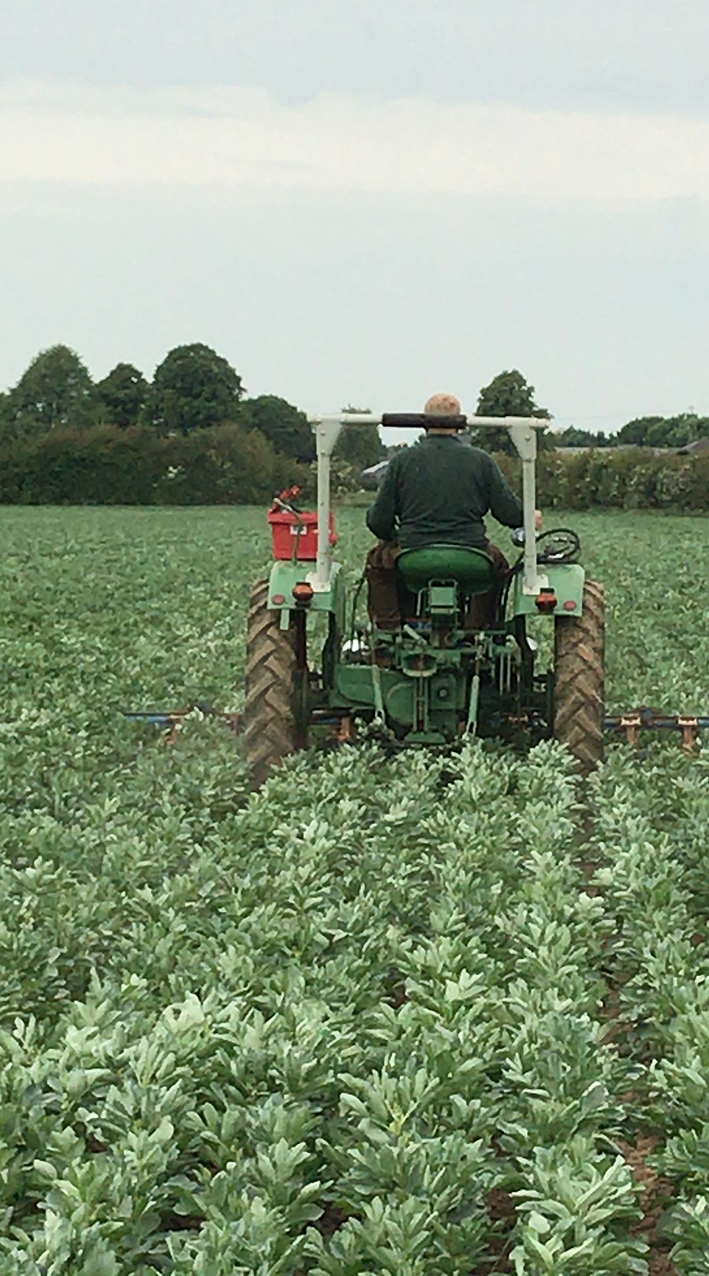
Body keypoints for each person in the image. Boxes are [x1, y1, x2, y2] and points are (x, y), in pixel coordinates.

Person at [365, 393, 541, 629]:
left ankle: (387, 631)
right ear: (459, 424)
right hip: (470, 557)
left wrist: (392, 536)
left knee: (378, 561)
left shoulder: (401, 461)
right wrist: (530, 517)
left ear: (424, 422)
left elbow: (378, 520)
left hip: (413, 556)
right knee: (498, 566)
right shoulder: (481, 461)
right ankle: (480, 629)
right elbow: (509, 513)